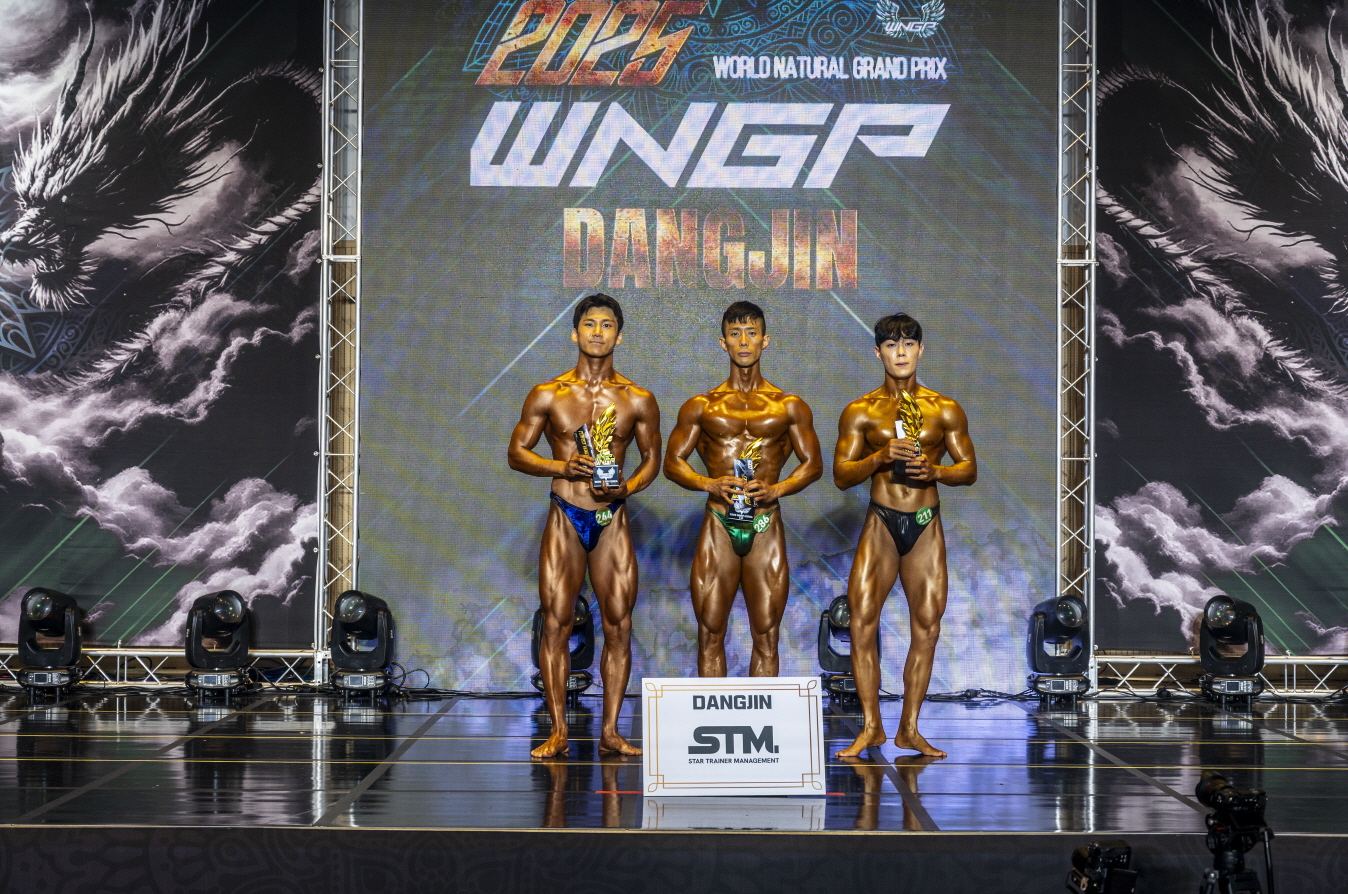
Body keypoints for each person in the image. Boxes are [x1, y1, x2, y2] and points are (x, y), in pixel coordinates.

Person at [507, 293, 661, 758]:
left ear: (619, 335)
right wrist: (562, 467)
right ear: (575, 332)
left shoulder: (637, 398)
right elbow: (516, 453)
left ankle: (610, 731)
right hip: (566, 514)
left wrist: (627, 486)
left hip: (612, 519)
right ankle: (558, 731)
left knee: (619, 625)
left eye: (607, 325)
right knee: (556, 623)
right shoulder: (549, 394)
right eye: (590, 324)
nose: (598, 332)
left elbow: (652, 459)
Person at [833, 313, 976, 759]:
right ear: (878, 352)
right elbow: (841, 475)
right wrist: (879, 457)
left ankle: (909, 729)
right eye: (892, 345)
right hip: (881, 521)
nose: (901, 353)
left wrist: (936, 471)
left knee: (927, 627)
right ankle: (871, 727)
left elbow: (968, 469)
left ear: (920, 350)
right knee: (861, 623)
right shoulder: (860, 411)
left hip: (924, 523)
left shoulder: (945, 408)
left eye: (909, 344)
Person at [664, 301, 822, 676]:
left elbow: (813, 464)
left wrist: (778, 489)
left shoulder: (789, 406)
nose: (744, 341)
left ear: (765, 340)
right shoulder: (701, 406)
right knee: (710, 631)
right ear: (724, 343)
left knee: (766, 633)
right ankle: (715, 713)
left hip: (765, 522)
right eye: (735, 334)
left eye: (752, 333)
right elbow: (672, 463)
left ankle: (760, 713)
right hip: (719, 521)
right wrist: (709, 483)